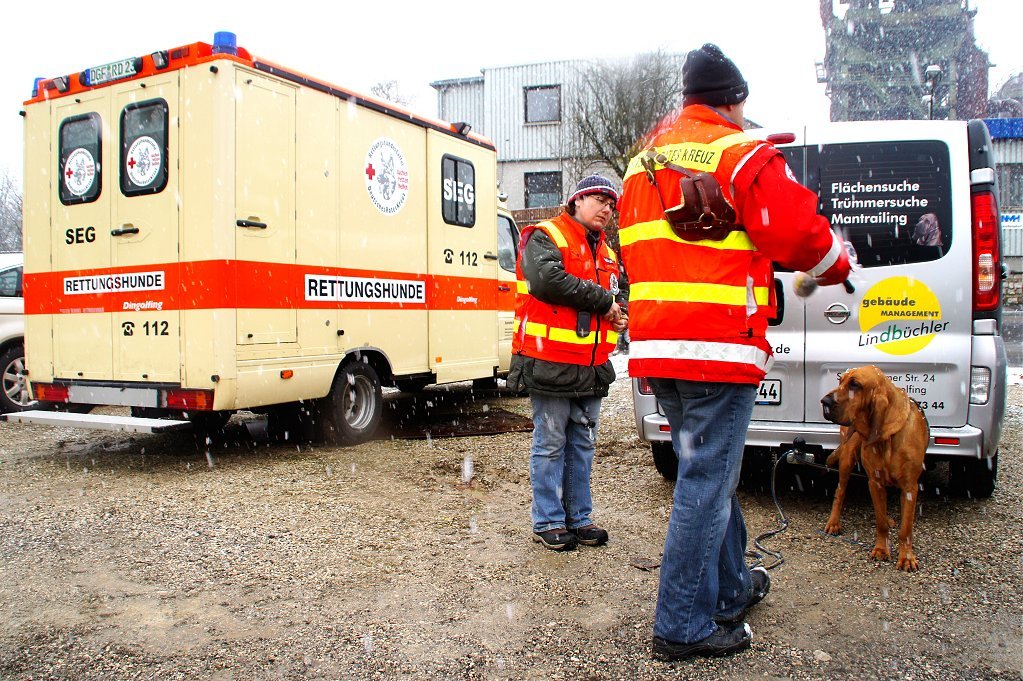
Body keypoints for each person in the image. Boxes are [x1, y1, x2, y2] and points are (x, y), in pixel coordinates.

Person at [618, 44, 851, 660]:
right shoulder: (741, 151)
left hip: (657, 346)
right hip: (717, 345)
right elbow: (798, 231)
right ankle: (683, 625)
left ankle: (730, 587)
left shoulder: (642, 163)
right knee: (706, 482)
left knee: (705, 473)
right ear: (734, 99)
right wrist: (839, 264)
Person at [507, 174, 628, 552]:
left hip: (591, 366)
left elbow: (614, 293)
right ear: (575, 201)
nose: (607, 208)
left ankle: (579, 518)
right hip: (550, 361)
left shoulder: (607, 252)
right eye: (598, 199)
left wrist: (618, 310)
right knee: (551, 443)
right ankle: (548, 521)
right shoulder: (547, 235)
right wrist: (603, 302)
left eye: (611, 203)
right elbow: (546, 281)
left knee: (581, 445)